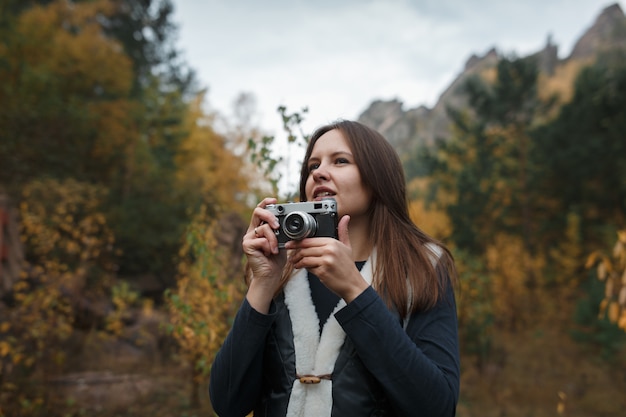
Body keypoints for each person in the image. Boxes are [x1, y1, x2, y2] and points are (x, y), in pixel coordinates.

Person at [209, 120, 460, 417]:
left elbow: (437, 407)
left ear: (378, 177)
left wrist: (355, 290)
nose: (318, 172)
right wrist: (263, 283)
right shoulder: (285, 269)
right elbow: (227, 403)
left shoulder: (422, 268)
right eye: (312, 165)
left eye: (340, 161)